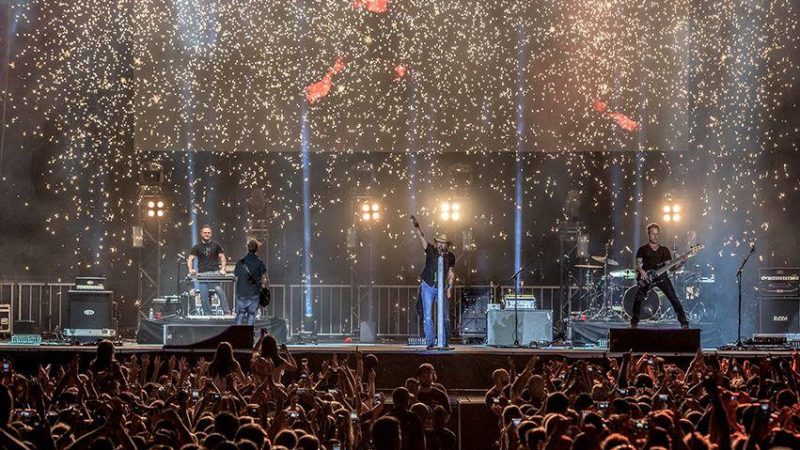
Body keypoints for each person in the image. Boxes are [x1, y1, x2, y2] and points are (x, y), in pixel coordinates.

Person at [630, 223, 689, 329]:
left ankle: (684, 323)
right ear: (648, 235)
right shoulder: (642, 249)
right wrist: (642, 272)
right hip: (648, 278)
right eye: (653, 234)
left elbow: (670, 267)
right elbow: (637, 264)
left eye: (657, 234)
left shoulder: (664, 250)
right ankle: (634, 323)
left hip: (662, 278)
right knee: (638, 299)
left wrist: (682, 262)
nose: (655, 236)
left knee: (673, 298)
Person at [410, 215, 456, 349]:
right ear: (436, 243)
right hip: (428, 286)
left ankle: (445, 342)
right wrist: (416, 225)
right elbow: (421, 237)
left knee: (446, 317)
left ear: (447, 245)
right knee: (428, 316)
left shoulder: (451, 256)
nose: (441, 244)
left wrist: (449, 288)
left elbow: (451, 273)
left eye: (444, 242)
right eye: (439, 242)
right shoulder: (430, 250)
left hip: (441, 287)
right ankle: (430, 342)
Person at [187, 224, 230, 315]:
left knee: (220, 291)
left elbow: (222, 258)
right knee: (203, 296)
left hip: (215, 272)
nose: (207, 234)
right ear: (201, 234)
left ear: (211, 234)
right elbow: (190, 259)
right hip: (202, 273)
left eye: (209, 233)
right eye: (205, 233)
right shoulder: (197, 247)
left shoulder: (216, 245)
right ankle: (208, 314)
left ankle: (227, 312)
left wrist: (223, 268)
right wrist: (191, 269)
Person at [234, 239, 269, 326]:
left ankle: (236, 335)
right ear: (257, 249)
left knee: (240, 314)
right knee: (252, 314)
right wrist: (264, 289)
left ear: (248, 248)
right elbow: (264, 278)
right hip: (254, 293)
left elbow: (236, 274)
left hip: (241, 292)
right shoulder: (259, 263)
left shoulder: (240, 262)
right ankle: (248, 336)